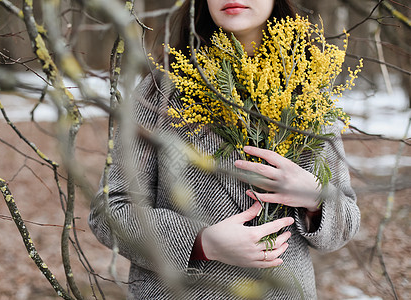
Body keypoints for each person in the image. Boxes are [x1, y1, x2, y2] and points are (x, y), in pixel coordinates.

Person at [89, 0, 361, 299]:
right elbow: (110, 212)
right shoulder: (161, 92)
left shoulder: (309, 92)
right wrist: (201, 242)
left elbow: (345, 224)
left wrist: (315, 199)